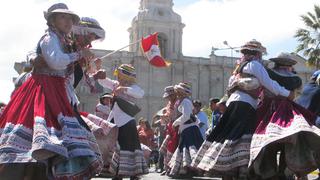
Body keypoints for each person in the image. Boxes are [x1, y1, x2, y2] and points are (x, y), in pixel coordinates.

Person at [0, 3, 103, 179]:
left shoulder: (66, 43)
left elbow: (74, 76)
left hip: (60, 93)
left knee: (59, 135)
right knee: (44, 132)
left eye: (70, 18)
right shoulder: (52, 38)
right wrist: (78, 56)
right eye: (63, 17)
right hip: (44, 90)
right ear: (53, 20)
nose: (68, 21)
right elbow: (53, 60)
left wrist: (89, 68)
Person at [192, 40, 294, 179]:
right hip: (245, 105)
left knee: (229, 135)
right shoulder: (255, 65)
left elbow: (230, 89)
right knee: (242, 138)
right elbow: (269, 84)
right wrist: (287, 93)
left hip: (233, 104)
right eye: (259, 53)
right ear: (257, 53)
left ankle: (226, 168)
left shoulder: (238, 70)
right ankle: (242, 172)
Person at [249, 52, 320, 179]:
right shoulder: (295, 78)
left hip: (268, 110)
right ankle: (283, 171)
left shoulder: (269, 73)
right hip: (287, 111)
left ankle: (268, 172)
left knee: (267, 140)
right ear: (290, 64)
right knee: (287, 143)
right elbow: (294, 94)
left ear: (276, 62)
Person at [98, 64, 148, 180]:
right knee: (117, 147)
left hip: (127, 121)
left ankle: (134, 174)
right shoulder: (116, 85)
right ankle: (117, 172)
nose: (118, 78)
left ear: (127, 77)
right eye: (118, 76)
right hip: (116, 121)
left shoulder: (133, 87)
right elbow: (104, 82)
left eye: (120, 76)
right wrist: (101, 75)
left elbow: (140, 93)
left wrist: (124, 89)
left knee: (130, 147)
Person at [168, 82, 204, 177]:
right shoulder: (183, 101)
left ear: (183, 92)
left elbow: (186, 116)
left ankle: (189, 169)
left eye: (179, 92)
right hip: (186, 129)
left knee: (189, 148)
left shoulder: (186, 102)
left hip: (190, 129)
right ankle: (186, 169)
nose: (177, 94)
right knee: (185, 148)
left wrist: (176, 122)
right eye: (177, 92)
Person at [158, 85, 179, 175]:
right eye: (168, 96)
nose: (169, 98)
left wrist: (167, 116)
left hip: (177, 127)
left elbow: (177, 115)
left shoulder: (178, 102)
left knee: (173, 147)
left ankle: (173, 168)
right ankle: (167, 168)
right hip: (170, 128)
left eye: (170, 96)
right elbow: (168, 115)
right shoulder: (169, 104)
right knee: (166, 147)